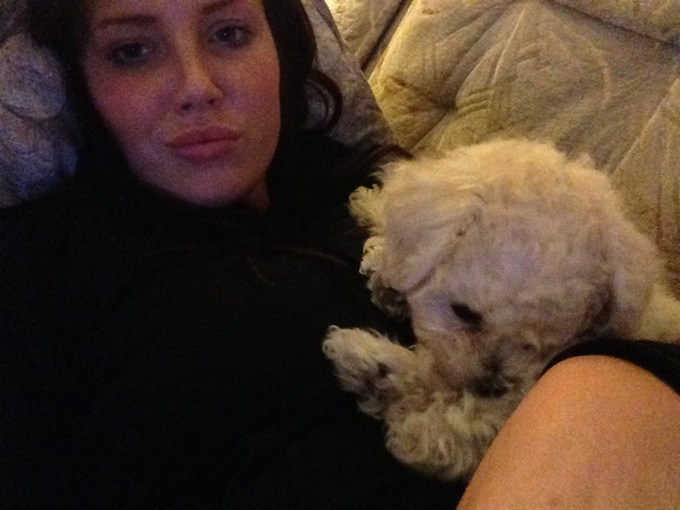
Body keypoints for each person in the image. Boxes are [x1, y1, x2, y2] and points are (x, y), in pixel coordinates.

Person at [0, 0, 678, 508]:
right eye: (132, 51)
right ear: (82, 83)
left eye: (228, 33)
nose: (197, 85)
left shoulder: (378, 189)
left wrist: (600, 383)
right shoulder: (46, 261)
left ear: (282, 47)